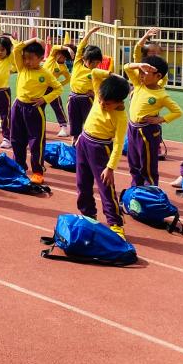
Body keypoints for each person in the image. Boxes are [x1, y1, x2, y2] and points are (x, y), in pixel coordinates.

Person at [75, 71, 130, 240]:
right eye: (100, 100)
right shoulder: (101, 93)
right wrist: (112, 75)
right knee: (82, 183)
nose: (101, 104)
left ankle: (115, 224)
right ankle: (88, 215)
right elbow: (94, 72)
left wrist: (110, 167)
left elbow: (118, 144)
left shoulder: (120, 117)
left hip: (101, 149)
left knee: (106, 189)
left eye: (107, 103)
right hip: (84, 142)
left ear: (119, 102)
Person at [9, 37, 63, 184]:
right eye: (25, 58)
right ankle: (19, 166)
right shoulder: (22, 67)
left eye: (31, 59)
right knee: (16, 139)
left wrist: (44, 99)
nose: (27, 61)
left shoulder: (45, 73)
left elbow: (58, 88)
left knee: (36, 141)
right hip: (18, 107)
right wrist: (33, 39)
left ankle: (38, 171)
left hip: (34, 110)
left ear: (40, 58)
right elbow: (17, 49)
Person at [123, 57, 183, 187]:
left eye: (144, 73)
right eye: (140, 71)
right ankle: (136, 189)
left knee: (147, 165)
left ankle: (150, 190)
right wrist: (139, 64)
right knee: (133, 162)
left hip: (147, 131)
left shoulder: (161, 95)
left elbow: (177, 112)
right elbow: (126, 67)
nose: (140, 75)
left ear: (158, 76)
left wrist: (160, 119)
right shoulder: (139, 84)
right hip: (132, 129)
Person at [68, 28, 109, 142]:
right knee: (74, 121)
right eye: (92, 62)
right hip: (73, 98)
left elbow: (101, 87)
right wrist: (90, 33)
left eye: (97, 62)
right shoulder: (77, 63)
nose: (95, 64)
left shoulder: (96, 72)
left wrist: (94, 94)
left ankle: (88, 141)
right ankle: (75, 140)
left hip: (87, 99)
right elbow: (81, 46)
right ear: (84, 59)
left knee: (89, 120)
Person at [43, 39, 71, 138]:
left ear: (65, 58)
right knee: (37, 107)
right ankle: (36, 125)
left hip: (52, 89)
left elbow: (68, 79)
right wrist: (67, 48)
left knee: (58, 107)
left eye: (62, 56)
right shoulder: (51, 58)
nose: (59, 56)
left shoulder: (63, 68)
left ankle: (64, 127)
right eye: (59, 54)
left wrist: (59, 84)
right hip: (39, 87)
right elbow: (54, 47)